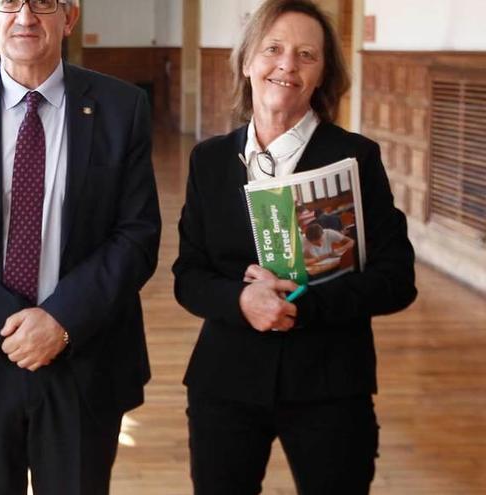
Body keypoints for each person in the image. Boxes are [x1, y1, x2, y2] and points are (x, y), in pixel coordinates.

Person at [0, 0, 161, 493]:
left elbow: (138, 234)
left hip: (83, 355)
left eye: (43, 2)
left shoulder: (122, 108)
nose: (25, 17)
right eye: (8, 2)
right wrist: (5, 324)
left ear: (70, 16)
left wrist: (59, 320)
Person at [172, 1, 417, 493]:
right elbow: (189, 276)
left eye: (307, 54)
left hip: (330, 383)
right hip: (226, 381)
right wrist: (241, 300)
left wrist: (304, 307)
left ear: (322, 74)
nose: (287, 65)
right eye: (273, 49)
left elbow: (397, 281)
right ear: (247, 61)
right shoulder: (211, 160)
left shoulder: (355, 157)